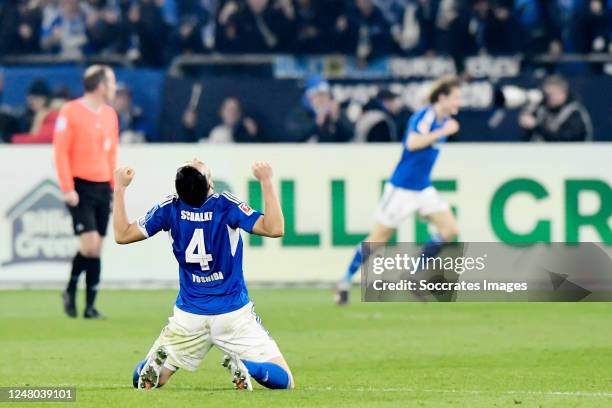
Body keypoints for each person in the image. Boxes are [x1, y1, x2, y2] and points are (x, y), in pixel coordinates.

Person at [111, 159, 294, 391]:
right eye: (196, 165)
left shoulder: (170, 208)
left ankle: (151, 366)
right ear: (210, 184)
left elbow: (122, 234)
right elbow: (275, 228)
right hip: (233, 314)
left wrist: (120, 188)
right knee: (285, 380)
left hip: (189, 316)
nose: (196, 160)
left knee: (145, 380)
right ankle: (249, 368)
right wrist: (266, 182)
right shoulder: (226, 205)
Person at [335, 76, 462, 305]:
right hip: (402, 188)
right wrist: (442, 132)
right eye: (455, 98)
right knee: (377, 240)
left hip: (422, 188)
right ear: (442, 98)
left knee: (450, 229)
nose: (459, 103)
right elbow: (412, 143)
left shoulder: (444, 119)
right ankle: (344, 282)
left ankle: (414, 273)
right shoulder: (426, 116)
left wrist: (444, 130)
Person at [53, 65, 119, 319]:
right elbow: (60, 152)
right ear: (101, 86)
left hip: (103, 186)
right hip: (80, 186)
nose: (114, 88)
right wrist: (67, 188)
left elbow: (111, 152)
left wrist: (113, 187)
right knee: (89, 244)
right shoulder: (70, 112)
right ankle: (70, 289)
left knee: (97, 248)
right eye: (111, 83)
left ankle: (90, 305)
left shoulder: (110, 115)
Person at [518, 75, 592, 142]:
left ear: (563, 93)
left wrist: (536, 126)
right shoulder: (541, 110)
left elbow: (567, 139)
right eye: (546, 94)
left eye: (552, 94)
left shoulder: (574, 111)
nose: (549, 98)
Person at [285, 76, 353, 143]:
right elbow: (292, 136)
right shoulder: (300, 113)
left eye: (324, 94)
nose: (322, 99)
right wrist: (316, 123)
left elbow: (349, 136)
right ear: (309, 97)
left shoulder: (336, 112)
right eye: (318, 95)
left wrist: (337, 119)